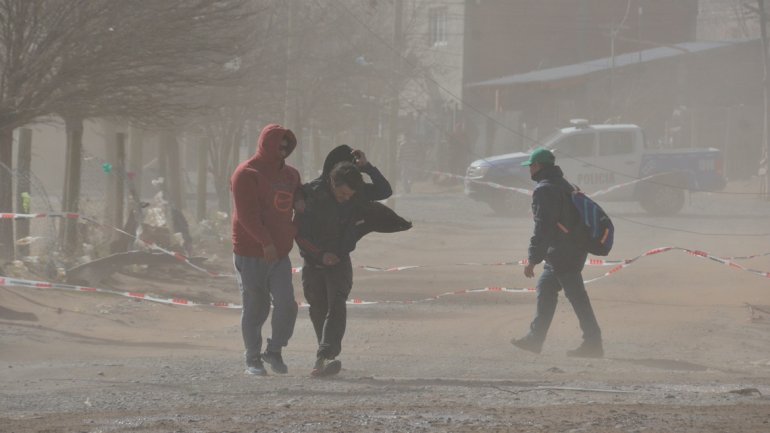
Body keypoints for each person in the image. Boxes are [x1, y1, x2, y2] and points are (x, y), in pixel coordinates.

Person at [295, 146, 393, 377]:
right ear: (332, 182)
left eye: (349, 196)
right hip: (313, 261)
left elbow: (384, 190)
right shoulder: (311, 193)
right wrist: (319, 255)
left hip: (340, 260)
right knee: (317, 308)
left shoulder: (357, 192)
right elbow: (298, 232)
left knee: (337, 305)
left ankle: (323, 356)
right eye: (342, 195)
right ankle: (325, 354)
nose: (346, 199)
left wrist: (367, 168)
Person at [511, 148, 604, 358]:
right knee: (546, 288)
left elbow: (543, 227)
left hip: (564, 252)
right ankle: (535, 339)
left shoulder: (545, 190)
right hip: (571, 250)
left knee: (577, 298)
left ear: (539, 166)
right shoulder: (565, 184)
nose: (530, 170)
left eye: (531, 166)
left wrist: (533, 259)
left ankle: (593, 343)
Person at [230, 123, 301, 376]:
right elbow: (247, 215)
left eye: (286, 145)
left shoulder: (291, 175)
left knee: (286, 304)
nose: (282, 150)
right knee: (255, 307)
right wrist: (265, 242)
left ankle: (275, 350)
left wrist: (291, 232)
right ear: (265, 143)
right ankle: (252, 358)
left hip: (280, 255)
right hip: (250, 252)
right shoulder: (246, 173)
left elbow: (298, 206)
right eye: (278, 144)